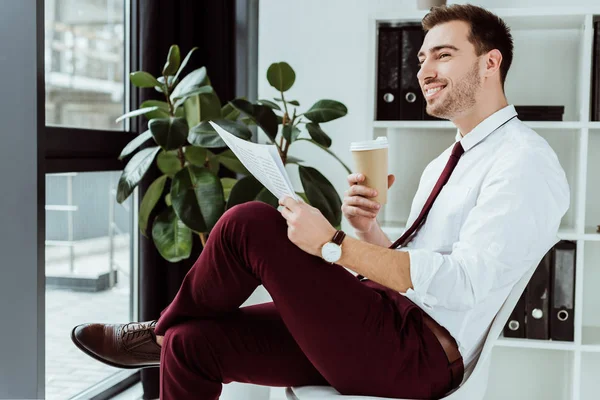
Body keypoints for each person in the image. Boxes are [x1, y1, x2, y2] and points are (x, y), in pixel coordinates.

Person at [71, 4, 570, 400]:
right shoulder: (444, 162)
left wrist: (334, 245)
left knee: (248, 222)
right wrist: (367, 230)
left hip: (415, 356)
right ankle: (166, 336)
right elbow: (423, 269)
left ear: (490, 62)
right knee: (191, 344)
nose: (423, 70)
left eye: (442, 55)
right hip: (383, 323)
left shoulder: (523, 161)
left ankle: (154, 333)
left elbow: (464, 282)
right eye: (420, 59)